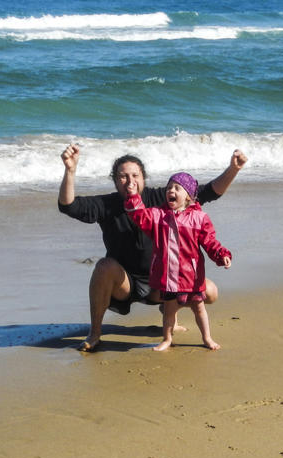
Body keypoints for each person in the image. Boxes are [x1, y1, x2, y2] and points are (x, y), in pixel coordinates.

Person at [58, 147, 247, 351]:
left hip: (163, 282)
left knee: (210, 292)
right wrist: (70, 170)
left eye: (135, 175)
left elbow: (208, 191)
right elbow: (68, 206)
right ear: (115, 180)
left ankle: (168, 310)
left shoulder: (161, 199)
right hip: (125, 284)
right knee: (103, 266)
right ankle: (95, 333)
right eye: (123, 176)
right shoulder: (106, 204)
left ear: (143, 178)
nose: (130, 181)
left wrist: (233, 169)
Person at [124, 172, 232, 351]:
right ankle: (167, 339)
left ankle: (207, 338)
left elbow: (210, 241)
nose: (170, 191)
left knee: (199, 309)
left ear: (188, 195)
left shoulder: (199, 218)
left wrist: (222, 254)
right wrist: (133, 196)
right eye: (168, 188)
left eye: (176, 188)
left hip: (192, 276)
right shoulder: (158, 216)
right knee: (169, 311)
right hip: (169, 277)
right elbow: (139, 216)